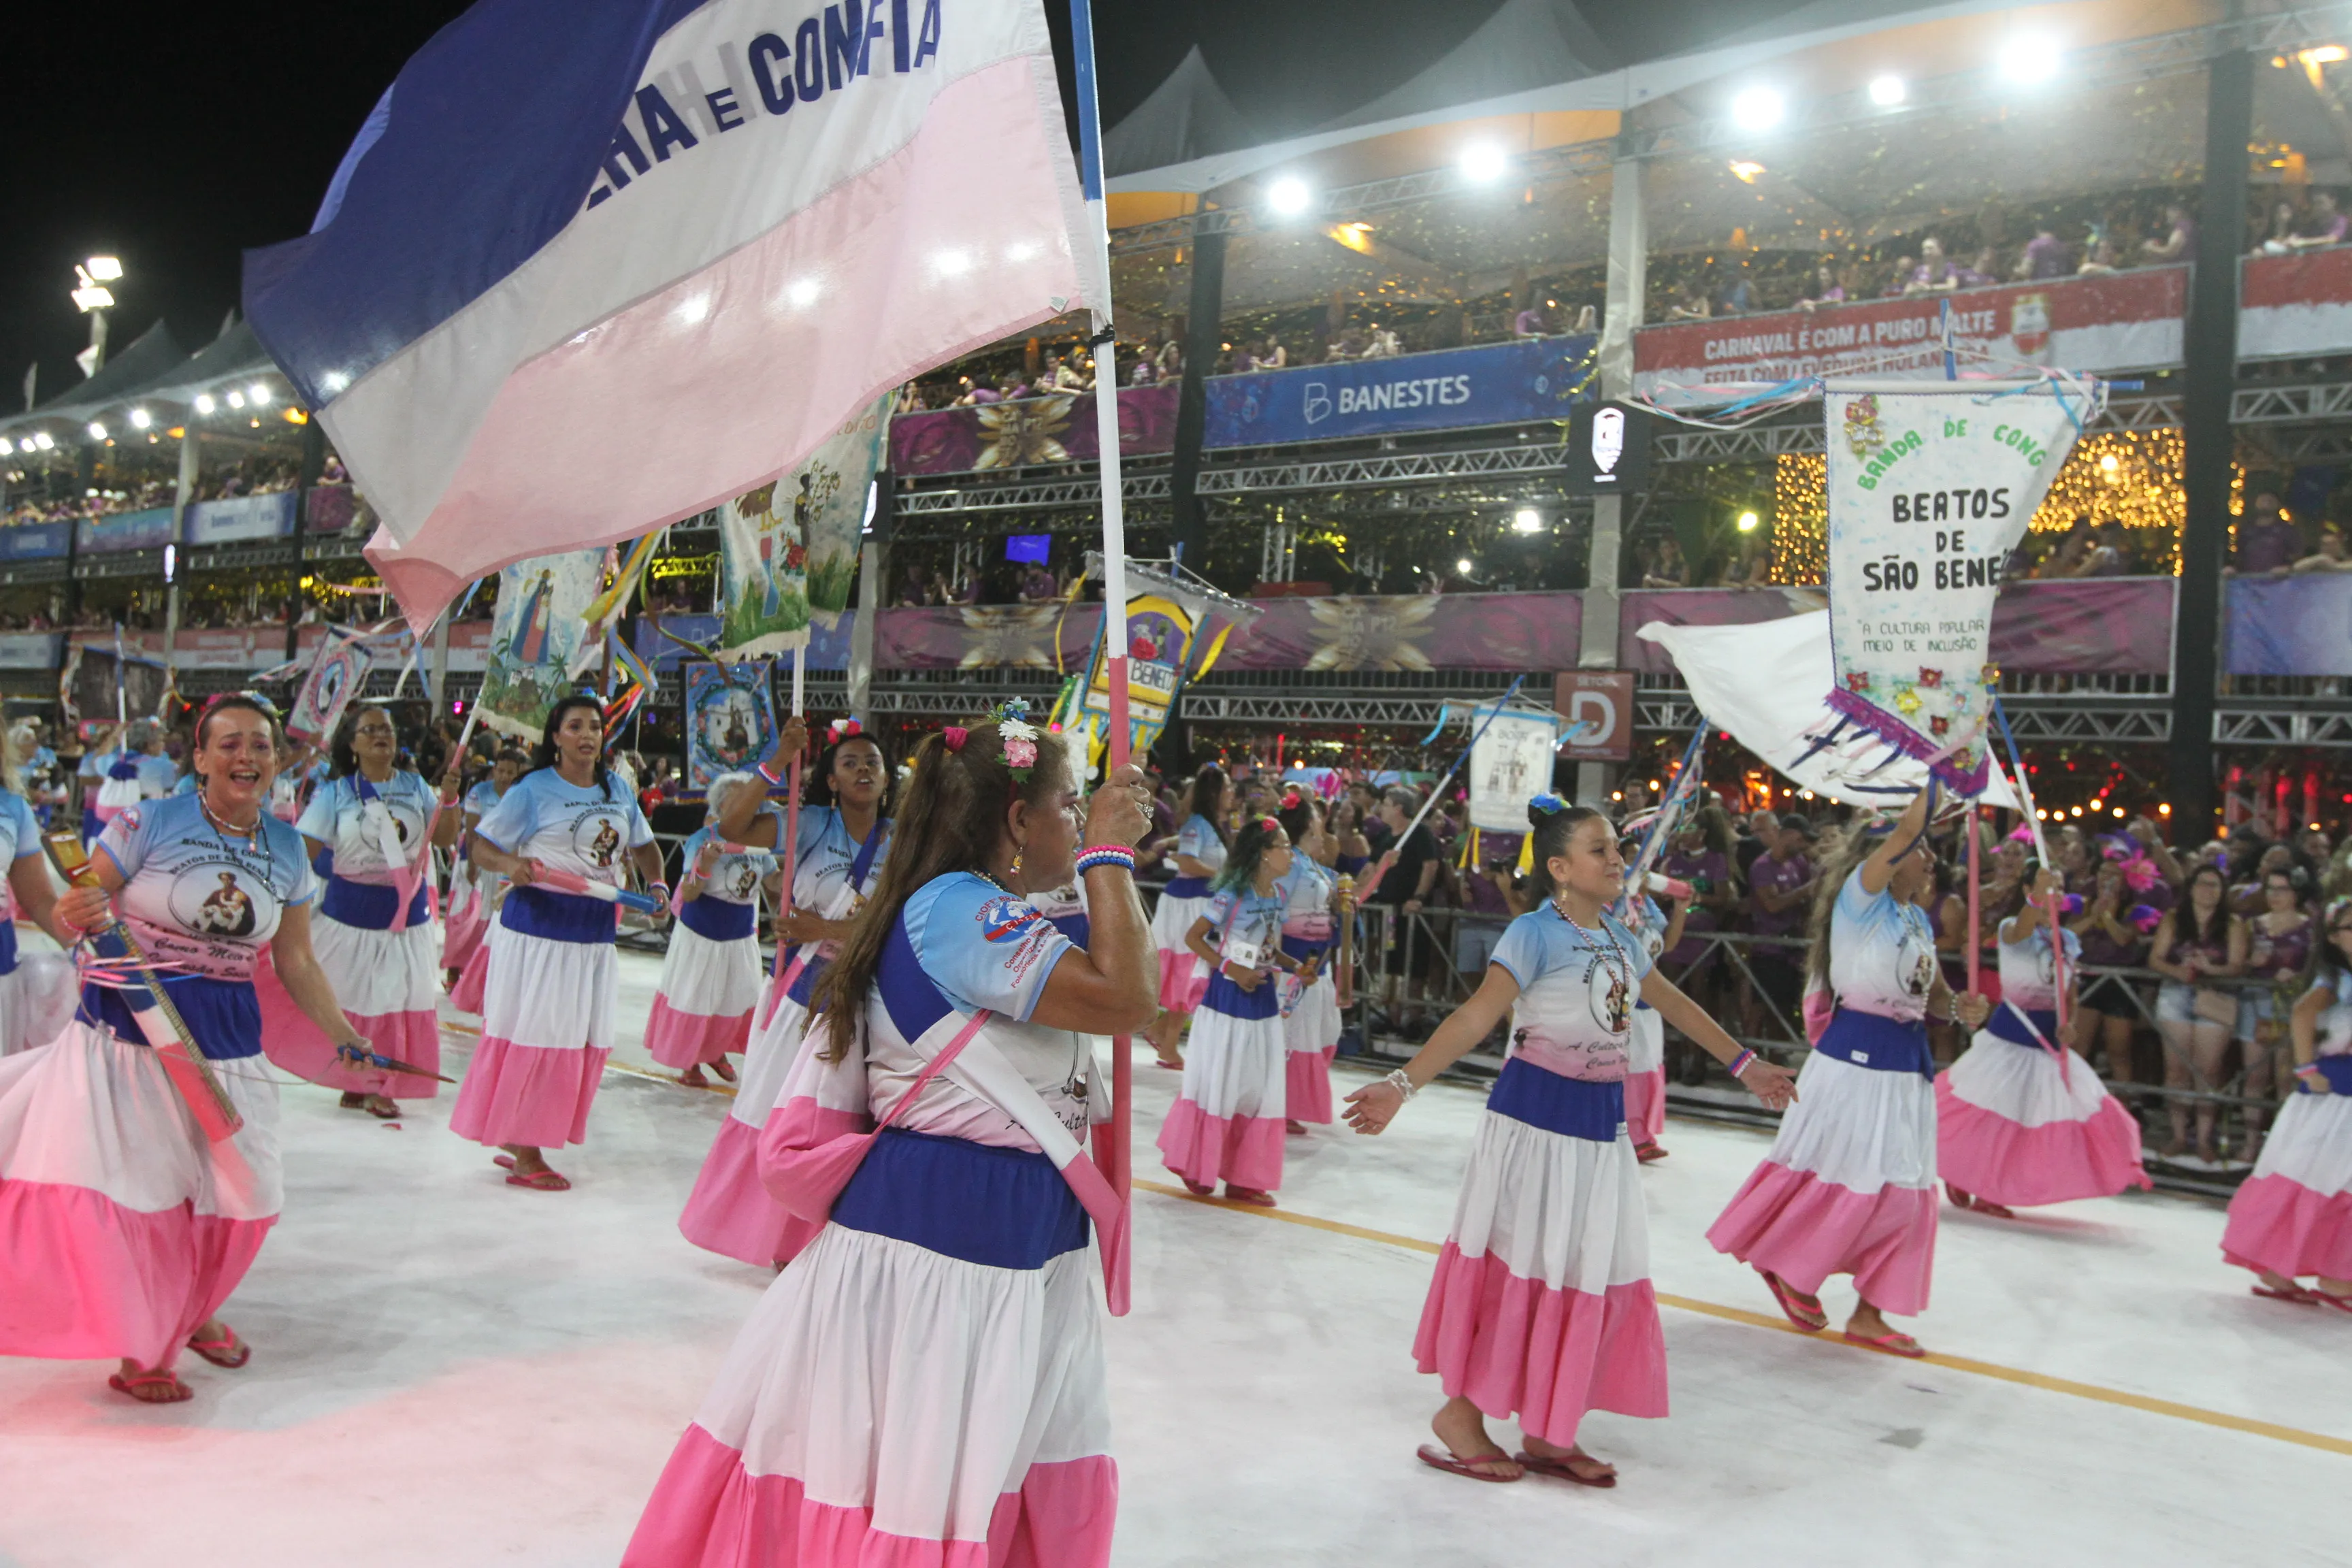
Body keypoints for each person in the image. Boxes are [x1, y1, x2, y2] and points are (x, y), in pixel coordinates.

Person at [624, 719, 1155, 1566]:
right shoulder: (954, 911)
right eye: (1068, 805)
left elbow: (1138, 989)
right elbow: (1126, 999)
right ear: (1018, 821)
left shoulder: (985, 907)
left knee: (975, 1474)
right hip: (947, 1249)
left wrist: (1102, 865)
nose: (1080, 819)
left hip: (1006, 1239)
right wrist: (1110, 857)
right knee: (922, 1486)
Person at [1343, 797, 1796, 1484]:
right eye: (1599, 849)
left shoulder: (1620, 936)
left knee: (1580, 1272)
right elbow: (1476, 1017)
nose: (1617, 859)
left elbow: (1673, 1004)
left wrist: (1747, 1064)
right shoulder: (1533, 933)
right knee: (1519, 1267)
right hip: (1531, 1128)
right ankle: (1460, 1415)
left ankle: (1551, 1428)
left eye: (1615, 848)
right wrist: (1401, 1086)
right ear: (1559, 867)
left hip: (1598, 1132)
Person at [0, 696, 368, 1403]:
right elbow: (83, 904)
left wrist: (343, 1033)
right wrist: (77, 913)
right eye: (228, 744)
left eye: (260, 745)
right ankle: (147, 1346)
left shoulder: (287, 847)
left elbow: (295, 960)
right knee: (149, 1192)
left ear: (276, 759)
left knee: (246, 1190)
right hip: (131, 1029)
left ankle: (191, 1309)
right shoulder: (150, 822)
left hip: (228, 1032)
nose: (246, 757)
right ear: (198, 758)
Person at [1709, 787, 1991, 1357]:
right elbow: (1906, 832)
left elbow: (1932, 999)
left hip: (1906, 1066)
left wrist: (1961, 1009)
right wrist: (1938, 773)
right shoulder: (1863, 900)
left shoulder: (1915, 919)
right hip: (1856, 1064)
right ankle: (1791, 1268)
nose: (1932, 859)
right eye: (1921, 849)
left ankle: (1870, 1312)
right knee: (1849, 1178)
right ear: (1885, 854)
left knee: (1904, 1192)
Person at [678, 715, 892, 1266]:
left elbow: (902, 923)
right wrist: (774, 762)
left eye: (872, 762)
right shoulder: (807, 822)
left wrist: (825, 930)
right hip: (801, 993)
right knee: (777, 1110)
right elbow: (725, 830)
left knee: (839, 1118)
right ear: (831, 780)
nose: (863, 769)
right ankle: (768, 1235)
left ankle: (815, 1237)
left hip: (871, 1000)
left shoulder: (905, 840)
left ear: (888, 777)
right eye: (850, 763)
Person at [455, 694, 666, 1191]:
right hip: (539, 932)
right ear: (555, 737)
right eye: (575, 726)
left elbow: (645, 845)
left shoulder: (617, 788)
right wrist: (513, 867)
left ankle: (521, 1133)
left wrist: (656, 885)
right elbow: (481, 845)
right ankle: (527, 1150)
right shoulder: (533, 789)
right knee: (541, 1034)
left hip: (592, 931)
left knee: (577, 1038)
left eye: (594, 726)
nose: (587, 735)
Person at [263, 704, 463, 1118]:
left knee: (394, 998)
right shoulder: (336, 794)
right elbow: (305, 852)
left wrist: (450, 798)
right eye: (369, 730)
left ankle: (382, 1084)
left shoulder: (416, 787)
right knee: (352, 1000)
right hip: (349, 917)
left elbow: (443, 837)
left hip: (405, 919)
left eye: (386, 729)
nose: (380, 736)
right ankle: (357, 1077)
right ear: (352, 744)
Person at [1936, 866, 2152, 1215]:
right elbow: (2023, 926)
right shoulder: (2011, 931)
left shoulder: (2067, 939)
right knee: (1994, 1115)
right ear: (2028, 889)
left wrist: (2072, 1022)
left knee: (2030, 1118)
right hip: (2009, 1039)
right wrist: (2037, 896)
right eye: (2048, 885)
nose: (2056, 891)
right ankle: (1974, 1180)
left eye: (2060, 886)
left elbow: (2071, 988)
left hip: (2046, 1041)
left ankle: (1993, 1184)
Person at [1158, 816, 1309, 1205]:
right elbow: (1195, 938)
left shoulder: (1276, 895)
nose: (1291, 854)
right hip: (1227, 1000)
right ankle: (1198, 1166)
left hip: (1261, 1000)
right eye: (1285, 846)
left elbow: (1267, 948)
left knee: (1257, 1087)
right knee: (1218, 1082)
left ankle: (1244, 1177)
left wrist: (1294, 966)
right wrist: (1230, 968)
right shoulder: (1231, 895)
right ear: (1263, 853)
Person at [2221, 898, 2352, 1308]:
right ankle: (2314, 1276)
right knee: (2321, 1182)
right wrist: (2305, 1068)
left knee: (2330, 1184)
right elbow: (2300, 1014)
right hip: (2333, 1100)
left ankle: (2315, 1274)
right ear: (2333, 937)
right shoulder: (2335, 979)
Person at [644, 772, 777, 1088]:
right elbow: (689, 893)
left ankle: (717, 1052)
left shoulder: (760, 841)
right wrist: (704, 865)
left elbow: (772, 883)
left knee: (735, 997)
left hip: (740, 935)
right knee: (697, 997)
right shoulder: (701, 839)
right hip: (701, 934)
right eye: (738, 801)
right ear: (720, 808)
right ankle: (690, 1061)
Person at [2149, 863, 2248, 1166]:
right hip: (2176, 994)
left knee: (2208, 1071)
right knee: (2176, 1069)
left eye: (2215, 885)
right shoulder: (2174, 919)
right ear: (2191, 888)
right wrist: (2177, 970)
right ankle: (2179, 1135)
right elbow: (2155, 959)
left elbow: (2237, 966)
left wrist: (2211, 969)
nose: (2209, 890)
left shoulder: (2232, 923)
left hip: (2215, 997)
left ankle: (2204, 1138)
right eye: (2203, 884)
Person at [1142, 764, 1231, 1069]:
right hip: (1187, 905)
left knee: (1193, 972)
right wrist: (1223, 875)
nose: (1233, 794)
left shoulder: (1211, 824)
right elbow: (1188, 862)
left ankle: (1163, 1036)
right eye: (1228, 788)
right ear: (1215, 792)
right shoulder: (1198, 823)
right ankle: (1167, 1043)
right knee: (1191, 971)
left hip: (1199, 903)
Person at [1275, 793, 1345, 1133]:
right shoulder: (1290, 866)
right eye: (1317, 816)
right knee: (1295, 1035)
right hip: (1296, 963)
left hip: (1318, 962)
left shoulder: (1311, 864)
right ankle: (1281, 1103)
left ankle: (1287, 1101)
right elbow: (1275, 906)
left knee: (1325, 1032)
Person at [2236, 866, 2317, 1158]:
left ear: (2295, 893)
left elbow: (2317, 971)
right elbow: (2237, 965)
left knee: (2285, 1078)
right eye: (2270, 889)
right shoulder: (2252, 924)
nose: (2275, 895)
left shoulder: (2310, 928)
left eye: (2282, 889)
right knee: (2255, 1077)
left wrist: (2296, 978)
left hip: (2290, 1007)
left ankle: (2282, 1146)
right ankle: (2250, 1141)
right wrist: (2250, 963)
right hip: (2255, 1004)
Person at [1620, 846, 1689, 1163]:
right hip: (1624, 996)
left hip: (1650, 998)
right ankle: (1630, 1134)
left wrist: (1681, 907)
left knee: (1648, 1065)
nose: (1644, 866)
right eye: (1636, 859)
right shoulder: (1613, 901)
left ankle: (1642, 1132)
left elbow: (1669, 944)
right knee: (1631, 1065)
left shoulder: (1646, 901)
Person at [444, 746, 525, 987]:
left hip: (502, 867)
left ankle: (478, 980)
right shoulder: (480, 793)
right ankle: (453, 973)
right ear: (494, 770)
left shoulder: (520, 796)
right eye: (501, 771)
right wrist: (472, 865)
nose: (504, 776)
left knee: (490, 926)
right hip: (475, 863)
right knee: (465, 920)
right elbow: (471, 831)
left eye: (510, 772)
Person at [1367, 785, 1442, 1037]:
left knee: (1414, 965)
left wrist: (1418, 897)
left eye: (1386, 804)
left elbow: (1430, 866)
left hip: (1410, 912)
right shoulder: (1385, 836)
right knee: (1390, 963)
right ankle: (1393, 1016)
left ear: (1399, 808)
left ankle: (1414, 1018)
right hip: (1389, 912)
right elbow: (1373, 866)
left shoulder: (1419, 833)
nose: (1381, 809)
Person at [2069, 855, 2149, 1084]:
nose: (2108, 879)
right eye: (2103, 872)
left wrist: (2107, 915)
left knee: (2118, 1051)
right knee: (2079, 1047)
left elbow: (2123, 938)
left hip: (2120, 984)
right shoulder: (2083, 904)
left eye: (2115, 874)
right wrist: (2094, 916)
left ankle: (2125, 1105)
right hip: (2088, 979)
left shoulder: (2135, 909)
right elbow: (2068, 934)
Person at [2230, 492, 2302, 576]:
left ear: (2278, 505)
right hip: (2247, 583)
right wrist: (2232, 569)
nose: (2266, 503)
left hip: (2279, 582)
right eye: (2262, 500)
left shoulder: (2287, 530)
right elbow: (2238, 556)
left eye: (2270, 500)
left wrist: (2288, 568)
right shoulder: (2245, 530)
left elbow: (2297, 556)